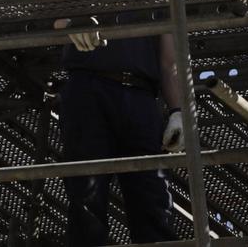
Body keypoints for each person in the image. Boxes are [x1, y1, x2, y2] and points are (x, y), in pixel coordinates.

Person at [51, 18, 190, 245]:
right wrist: (72, 24)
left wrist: (178, 111)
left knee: (153, 198)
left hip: (141, 97)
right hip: (88, 88)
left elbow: (170, 62)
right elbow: (49, 16)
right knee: (87, 197)